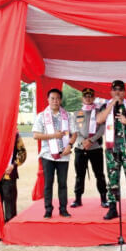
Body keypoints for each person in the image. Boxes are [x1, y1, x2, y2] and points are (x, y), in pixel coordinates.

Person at [96, 80, 126, 220]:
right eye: (115, 90)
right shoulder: (105, 106)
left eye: (120, 90)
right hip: (112, 149)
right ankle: (112, 209)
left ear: (124, 92)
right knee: (112, 180)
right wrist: (111, 104)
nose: (117, 92)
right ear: (111, 92)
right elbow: (99, 119)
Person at [33, 88, 77, 218]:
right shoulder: (41, 116)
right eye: (52, 98)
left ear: (60, 100)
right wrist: (54, 135)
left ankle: (63, 209)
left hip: (64, 154)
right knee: (48, 184)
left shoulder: (68, 115)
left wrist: (69, 145)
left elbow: (74, 133)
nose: (55, 101)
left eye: (57, 98)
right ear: (48, 100)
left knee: (62, 183)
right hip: (48, 155)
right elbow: (36, 135)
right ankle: (48, 209)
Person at [71, 88, 107, 208]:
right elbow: (75, 131)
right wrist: (84, 142)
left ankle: (103, 198)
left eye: (90, 96)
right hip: (81, 148)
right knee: (79, 175)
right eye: (86, 96)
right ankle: (77, 199)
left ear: (93, 98)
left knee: (99, 174)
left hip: (95, 147)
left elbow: (102, 128)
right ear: (82, 98)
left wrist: (91, 140)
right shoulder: (76, 113)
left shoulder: (99, 112)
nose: (88, 98)